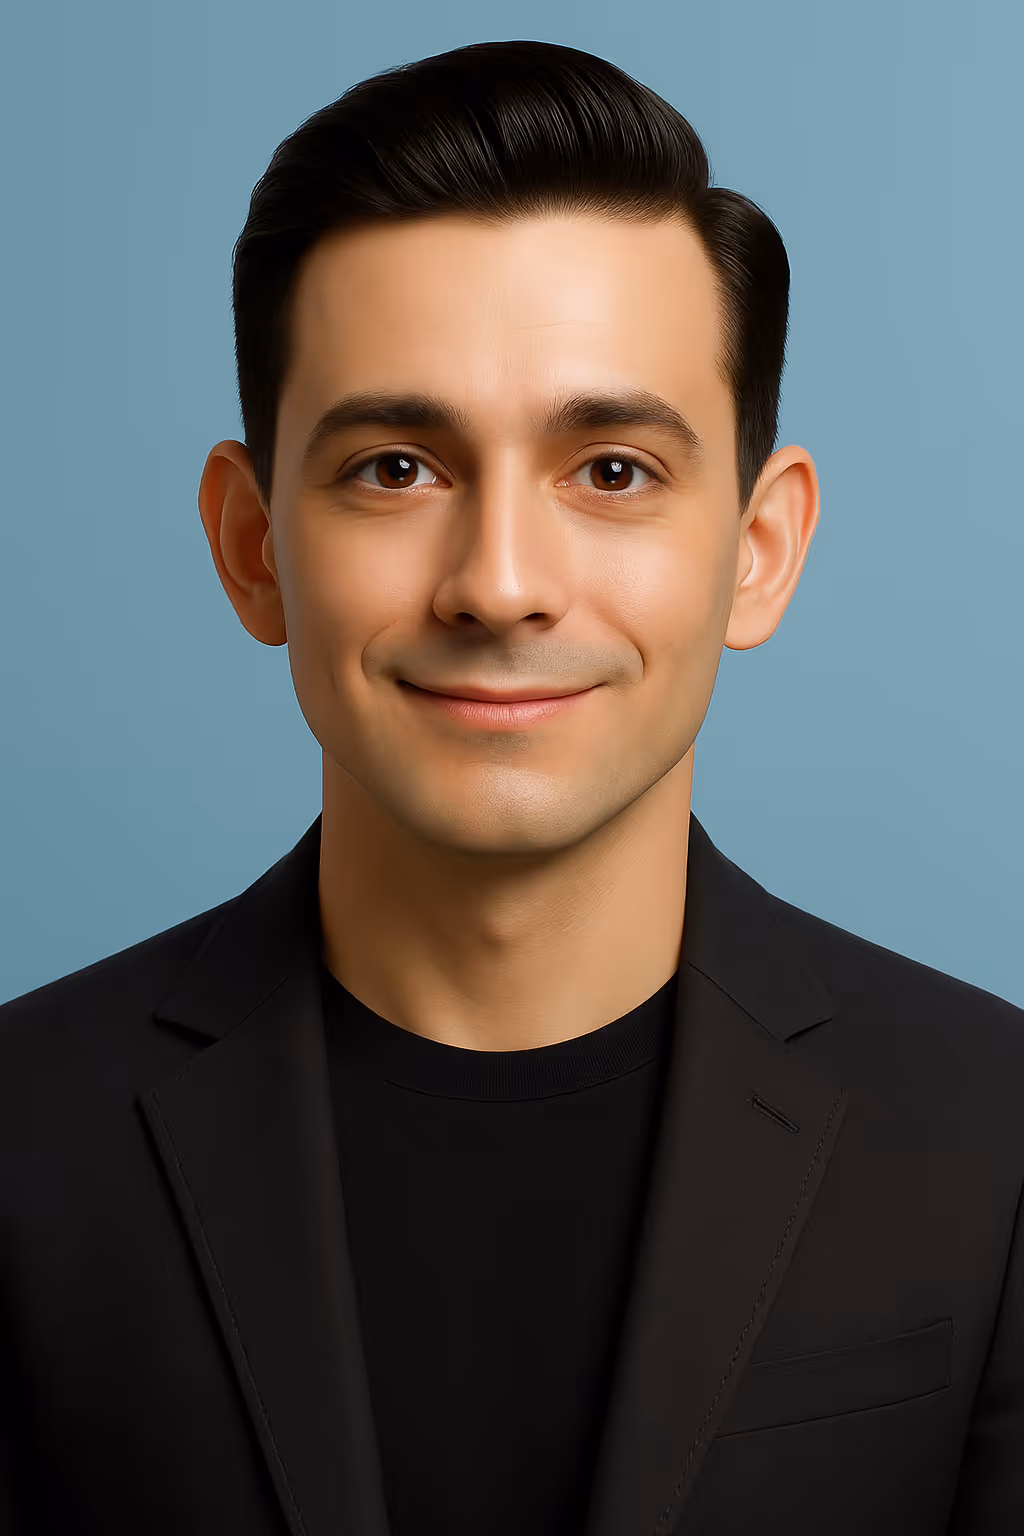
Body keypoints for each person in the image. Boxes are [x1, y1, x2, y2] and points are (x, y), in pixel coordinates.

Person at [0, 39, 1021, 1536]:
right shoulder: (24, 1141)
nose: (498, 585)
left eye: (611, 469)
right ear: (250, 545)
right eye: (396, 468)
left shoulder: (995, 1144)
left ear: (760, 547)